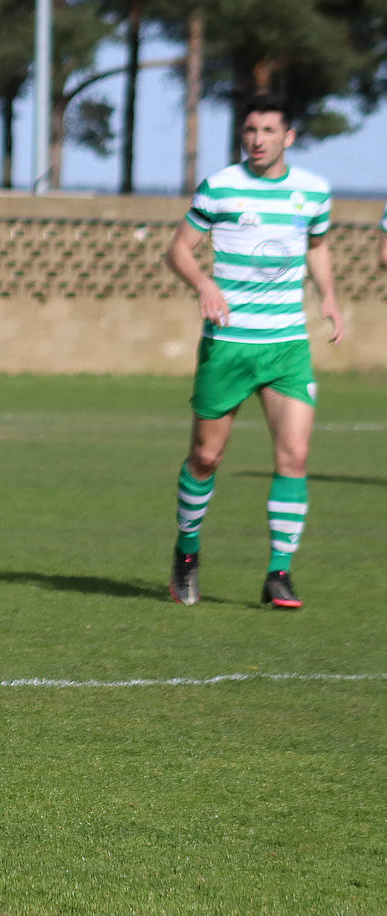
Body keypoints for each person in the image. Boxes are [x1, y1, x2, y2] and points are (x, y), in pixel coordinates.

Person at [163, 93, 343, 610]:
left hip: (287, 347)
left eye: (268, 131)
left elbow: (318, 246)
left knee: (296, 455)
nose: (257, 140)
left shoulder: (313, 192)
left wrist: (328, 295)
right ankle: (187, 553)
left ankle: (279, 574)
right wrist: (202, 283)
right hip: (229, 346)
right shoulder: (221, 186)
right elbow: (177, 249)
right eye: (250, 130)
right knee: (206, 456)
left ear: (288, 137)